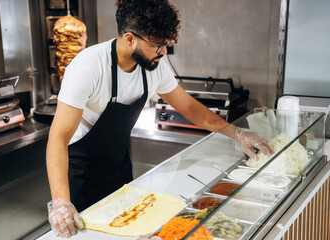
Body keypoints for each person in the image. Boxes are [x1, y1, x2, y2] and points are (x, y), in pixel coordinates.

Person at [46, 0, 272, 238]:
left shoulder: (153, 68)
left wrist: (237, 134)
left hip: (120, 170)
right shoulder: (88, 68)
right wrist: (61, 202)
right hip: (81, 176)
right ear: (130, 38)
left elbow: (190, 107)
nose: (163, 52)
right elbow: (58, 138)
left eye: (166, 44)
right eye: (158, 45)